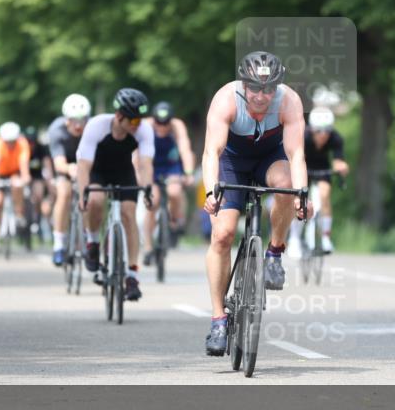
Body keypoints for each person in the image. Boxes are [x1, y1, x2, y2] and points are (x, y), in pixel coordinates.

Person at [201, 51, 310, 356]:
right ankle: (218, 320)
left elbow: (296, 155)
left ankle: (274, 252)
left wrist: (302, 194)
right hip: (231, 162)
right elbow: (212, 152)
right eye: (254, 88)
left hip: (269, 159)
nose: (261, 97)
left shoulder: (289, 101)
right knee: (222, 234)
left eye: (269, 89)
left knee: (286, 186)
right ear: (243, 84)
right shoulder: (226, 99)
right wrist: (211, 192)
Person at [75, 88, 154, 301]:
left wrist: (148, 189)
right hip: (97, 170)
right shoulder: (97, 126)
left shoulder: (144, 130)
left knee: (129, 214)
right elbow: (83, 166)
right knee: (95, 200)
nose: (137, 124)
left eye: (140, 120)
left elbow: (146, 164)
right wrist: (83, 194)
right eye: (133, 120)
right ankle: (93, 242)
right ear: (119, 116)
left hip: (123, 171)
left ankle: (132, 276)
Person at [142, 101, 196, 265]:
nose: (162, 127)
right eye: (159, 123)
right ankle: (148, 247)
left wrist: (188, 173)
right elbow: (137, 153)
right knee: (152, 203)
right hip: (151, 166)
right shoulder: (146, 125)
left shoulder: (177, 126)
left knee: (174, 191)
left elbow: (185, 150)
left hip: (171, 166)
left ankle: (173, 220)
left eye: (165, 123)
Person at [48, 93, 91, 266]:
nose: (78, 125)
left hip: (86, 165)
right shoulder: (56, 130)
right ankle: (58, 244)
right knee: (64, 193)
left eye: (83, 120)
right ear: (67, 119)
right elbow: (59, 164)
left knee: (90, 194)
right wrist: (70, 169)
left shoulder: (93, 129)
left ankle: (88, 237)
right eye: (74, 120)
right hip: (65, 166)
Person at [301, 106, 349, 253]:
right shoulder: (303, 137)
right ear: (311, 129)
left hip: (322, 167)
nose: (323, 134)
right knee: (299, 198)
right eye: (319, 130)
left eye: (327, 130)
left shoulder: (336, 138)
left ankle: (326, 237)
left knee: (325, 195)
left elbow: (338, 160)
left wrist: (341, 166)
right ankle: (295, 237)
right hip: (304, 165)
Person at [0, 122, 31, 251]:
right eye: (7, 141)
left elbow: (24, 164)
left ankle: (18, 214)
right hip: (0, 173)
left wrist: (25, 177)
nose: (10, 144)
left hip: (14, 172)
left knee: (17, 185)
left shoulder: (22, 144)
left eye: (13, 141)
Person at [24, 126, 54, 242]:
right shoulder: (22, 148)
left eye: (32, 141)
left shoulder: (42, 148)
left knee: (38, 194)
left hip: (37, 176)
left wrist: (50, 181)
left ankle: (37, 216)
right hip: (24, 176)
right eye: (29, 141)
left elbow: (47, 165)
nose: (31, 144)